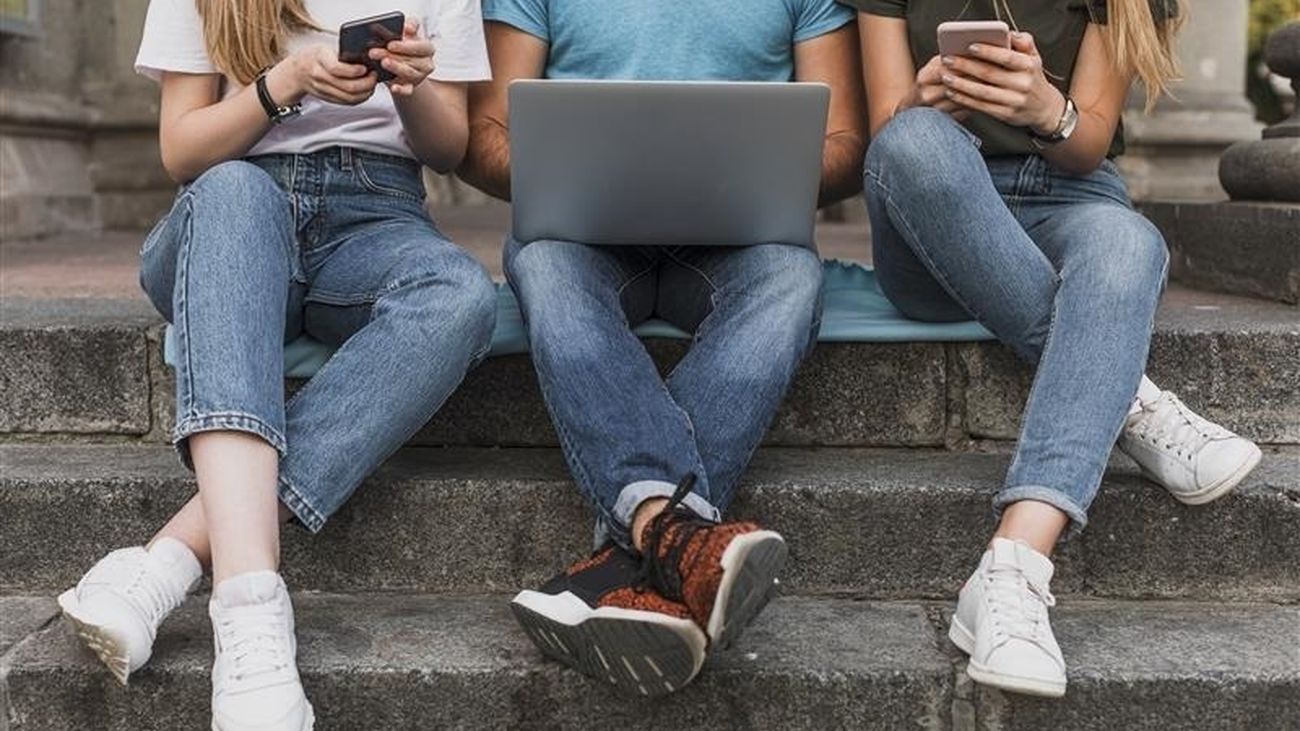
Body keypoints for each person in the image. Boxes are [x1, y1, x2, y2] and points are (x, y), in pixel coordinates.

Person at [55, 1, 494, 727]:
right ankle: (252, 607)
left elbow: (448, 150)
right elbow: (182, 150)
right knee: (232, 190)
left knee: (459, 294)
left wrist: (410, 89)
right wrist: (281, 82)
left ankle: (169, 561)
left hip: (378, 214)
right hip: (230, 207)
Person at [846, 0, 1262, 698]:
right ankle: (1125, 395)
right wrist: (926, 102)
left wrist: (1046, 106)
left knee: (1129, 242)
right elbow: (890, 127)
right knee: (914, 139)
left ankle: (1015, 563)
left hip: (1069, 193)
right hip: (933, 202)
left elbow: (1088, 140)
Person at [458, 0, 867, 696]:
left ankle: (628, 555)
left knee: (792, 281)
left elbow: (847, 141)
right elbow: (485, 134)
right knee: (547, 268)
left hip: (736, 242)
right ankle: (675, 540)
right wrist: (580, 178)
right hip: (582, 236)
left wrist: (742, 178)